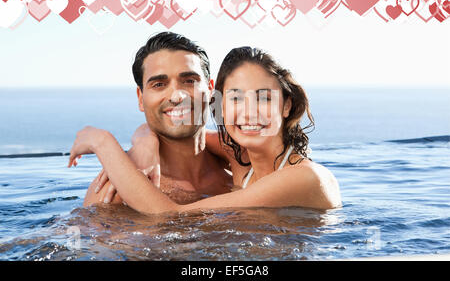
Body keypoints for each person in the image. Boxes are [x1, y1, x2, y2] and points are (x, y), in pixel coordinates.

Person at [71, 46, 342, 213]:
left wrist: (103, 141)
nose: (249, 112)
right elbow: (191, 139)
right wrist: (144, 142)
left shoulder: (305, 177)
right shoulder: (238, 154)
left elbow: (169, 214)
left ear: (286, 106)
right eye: (236, 97)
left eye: (263, 97)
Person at [82, 32, 233, 206]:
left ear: (210, 90)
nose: (177, 97)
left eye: (189, 81)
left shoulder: (242, 167)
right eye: (159, 85)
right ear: (140, 98)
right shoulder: (116, 191)